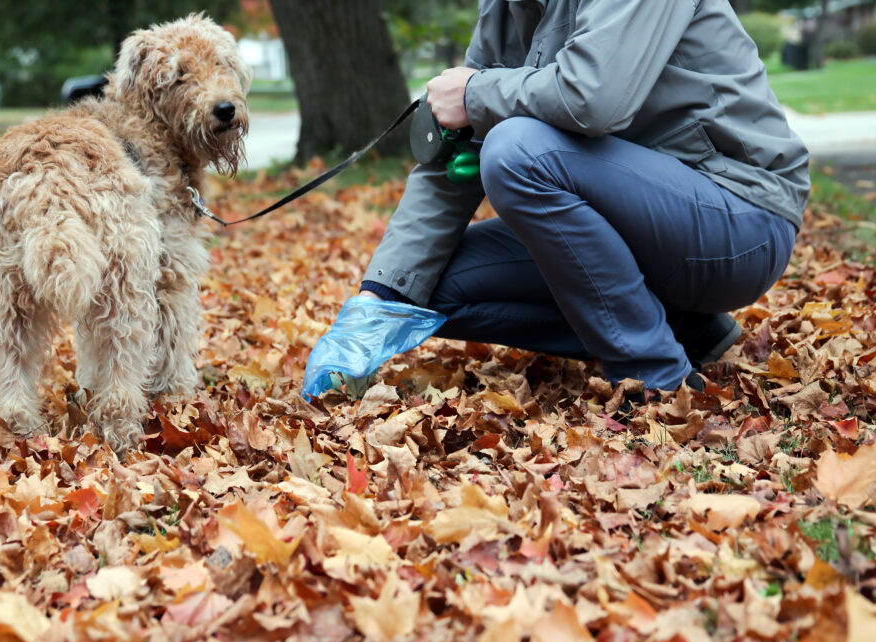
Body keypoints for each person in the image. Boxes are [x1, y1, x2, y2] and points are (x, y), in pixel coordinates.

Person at [331, 0, 809, 397]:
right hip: (639, 223)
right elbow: (457, 150)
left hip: (737, 218)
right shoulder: (505, 8)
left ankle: (657, 378)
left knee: (516, 151)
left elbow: (591, 98)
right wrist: (379, 300)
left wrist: (476, 91)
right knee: (425, 287)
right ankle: (686, 329)